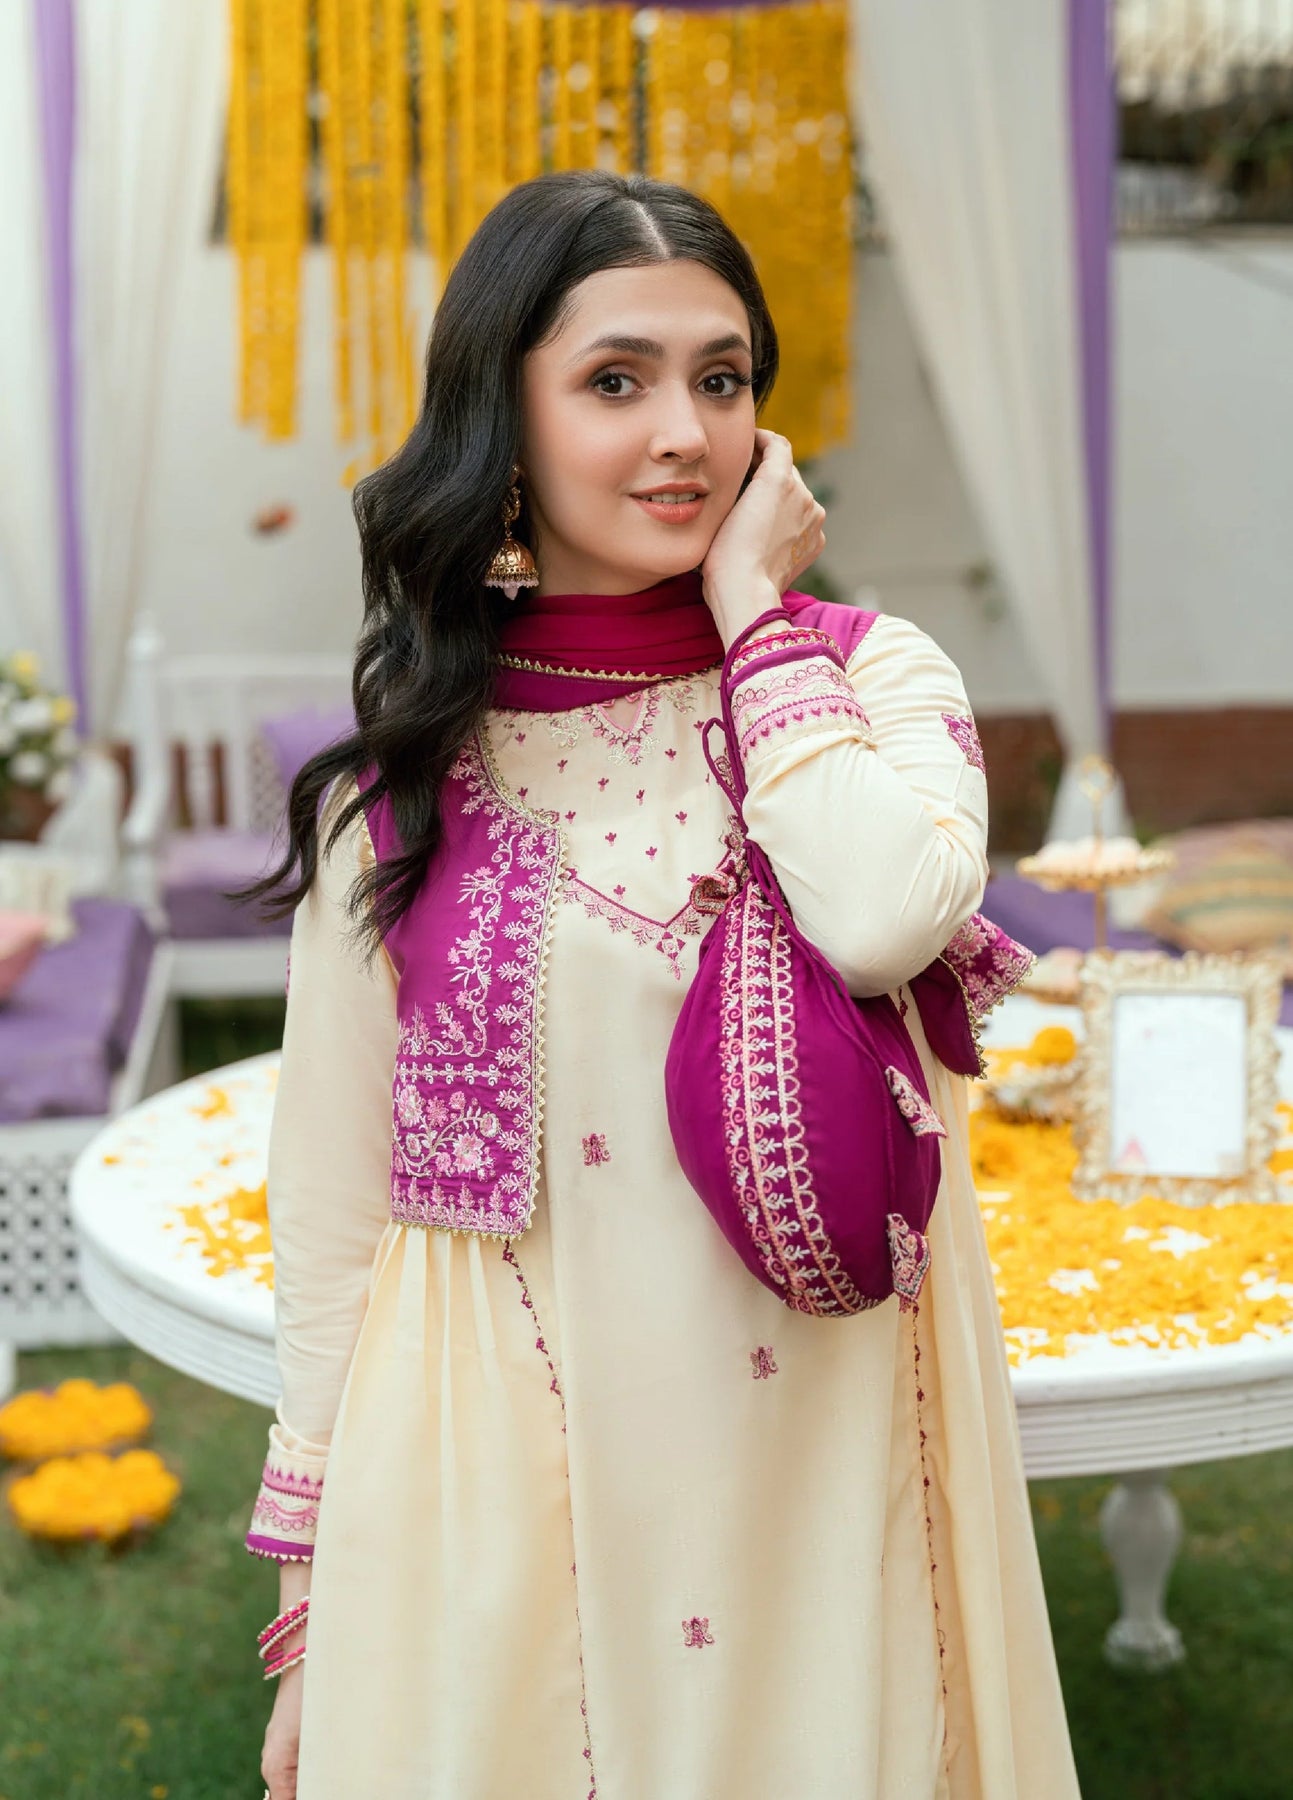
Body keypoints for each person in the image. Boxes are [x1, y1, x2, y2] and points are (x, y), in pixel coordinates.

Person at [242, 169, 1081, 1800]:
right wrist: (309, 1619)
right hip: (505, 1477)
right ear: (504, 420)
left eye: (720, 377)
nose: (682, 433)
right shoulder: (402, 789)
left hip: (823, 1449)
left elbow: (879, 918)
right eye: (614, 381)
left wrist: (755, 618)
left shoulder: (865, 682)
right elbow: (331, 1221)